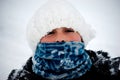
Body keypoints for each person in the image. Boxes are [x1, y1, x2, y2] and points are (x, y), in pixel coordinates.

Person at [7, 0, 120, 80]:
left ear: (82, 37)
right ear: (36, 43)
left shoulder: (112, 70)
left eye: (69, 30)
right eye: (50, 33)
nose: (60, 39)